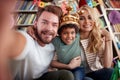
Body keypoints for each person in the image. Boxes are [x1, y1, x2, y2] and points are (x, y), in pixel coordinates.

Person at [0, 2, 75, 80]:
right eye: (44, 22)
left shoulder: (55, 43)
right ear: (35, 24)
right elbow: (14, 41)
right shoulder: (27, 39)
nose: (49, 28)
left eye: (54, 25)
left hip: (41, 77)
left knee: (66, 75)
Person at [77, 5, 113, 80]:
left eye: (90, 18)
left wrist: (108, 38)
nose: (87, 21)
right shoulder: (73, 38)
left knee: (110, 72)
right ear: (77, 21)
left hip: (96, 72)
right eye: (81, 18)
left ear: (94, 20)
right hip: (80, 74)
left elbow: (107, 65)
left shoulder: (97, 38)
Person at [50, 8, 85, 80]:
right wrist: (68, 66)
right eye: (65, 33)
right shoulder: (56, 41)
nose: (69, 36)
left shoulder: (77, 36)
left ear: (75, 33)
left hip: (78, 68)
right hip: (63, 71)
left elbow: (89, 27)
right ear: (59, 34)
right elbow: (52, 63)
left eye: (72, 33)